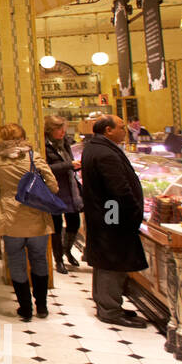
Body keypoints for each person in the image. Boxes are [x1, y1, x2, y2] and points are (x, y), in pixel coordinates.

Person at [0, 123, 60, 321]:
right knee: (39, 260)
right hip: (37, 216)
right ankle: (42, 306)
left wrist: (7, 192)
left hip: (9, 218)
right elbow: (53, 186)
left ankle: (25, 308)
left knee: (16, 263)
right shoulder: (34, 157)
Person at [81, 115, 149, 327]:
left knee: (105, 259)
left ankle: (107, 303)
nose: (124, 131)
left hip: (105, 212)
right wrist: (134, 211)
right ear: (108, 130)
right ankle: (110, 309)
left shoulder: (94, 147)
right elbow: (118, 189)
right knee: (112, 259)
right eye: (121, 127)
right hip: (112, 213)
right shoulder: (104, 154)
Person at [43, 114, 82, 273]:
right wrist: (68, 165)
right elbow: (45, 168)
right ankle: (58, 259)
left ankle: (68, 250)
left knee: (74, 222)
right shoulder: (45, 146)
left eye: (63, 129)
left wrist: (75, 166)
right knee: (56, 226)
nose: (62, 132)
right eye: (59, 129)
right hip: (54, 190)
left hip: (70, 188)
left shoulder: (65, 143)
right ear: (50, 130)